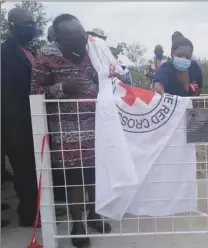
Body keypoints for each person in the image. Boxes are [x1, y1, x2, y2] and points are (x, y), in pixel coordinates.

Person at [31, 14, 111, 248]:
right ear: (57, 38)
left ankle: (94, 215)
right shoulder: (45, 55)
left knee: (96, 175)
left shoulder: (93, 50)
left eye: (82, 37)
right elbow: (35, 94)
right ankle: (78, 226)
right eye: (73, 40)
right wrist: (62, 88)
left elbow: (106, 79)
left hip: (99, 126)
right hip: (68, 132)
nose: (80, 44)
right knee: (75, 179)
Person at [1, 7, 39, 227]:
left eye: (32, 22)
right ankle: (28, 216)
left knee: (35, 170)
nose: (31, 26)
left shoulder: (32, 51)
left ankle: (37, 210)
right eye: (25, 23)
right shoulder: (4, 53)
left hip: (35, 121)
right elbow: (6, 92)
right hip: (17, 124)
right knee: (25, 173)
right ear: (11, 26)